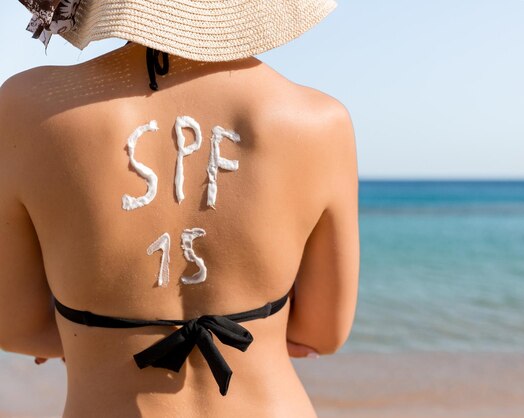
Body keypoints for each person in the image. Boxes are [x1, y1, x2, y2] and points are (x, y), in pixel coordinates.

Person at [0, 0, 360, 417]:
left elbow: (15, 327)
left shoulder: (28, 109)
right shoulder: (318, 122)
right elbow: (323, 333)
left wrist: (96, 341)